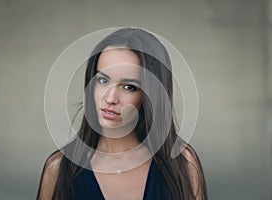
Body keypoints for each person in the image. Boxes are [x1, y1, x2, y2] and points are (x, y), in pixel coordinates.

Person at [37, 28, 208, 200]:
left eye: (129, 87)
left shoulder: (182, 164)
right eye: (103, 80)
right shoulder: (58, 169)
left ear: (150, 96)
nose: (110, 98)